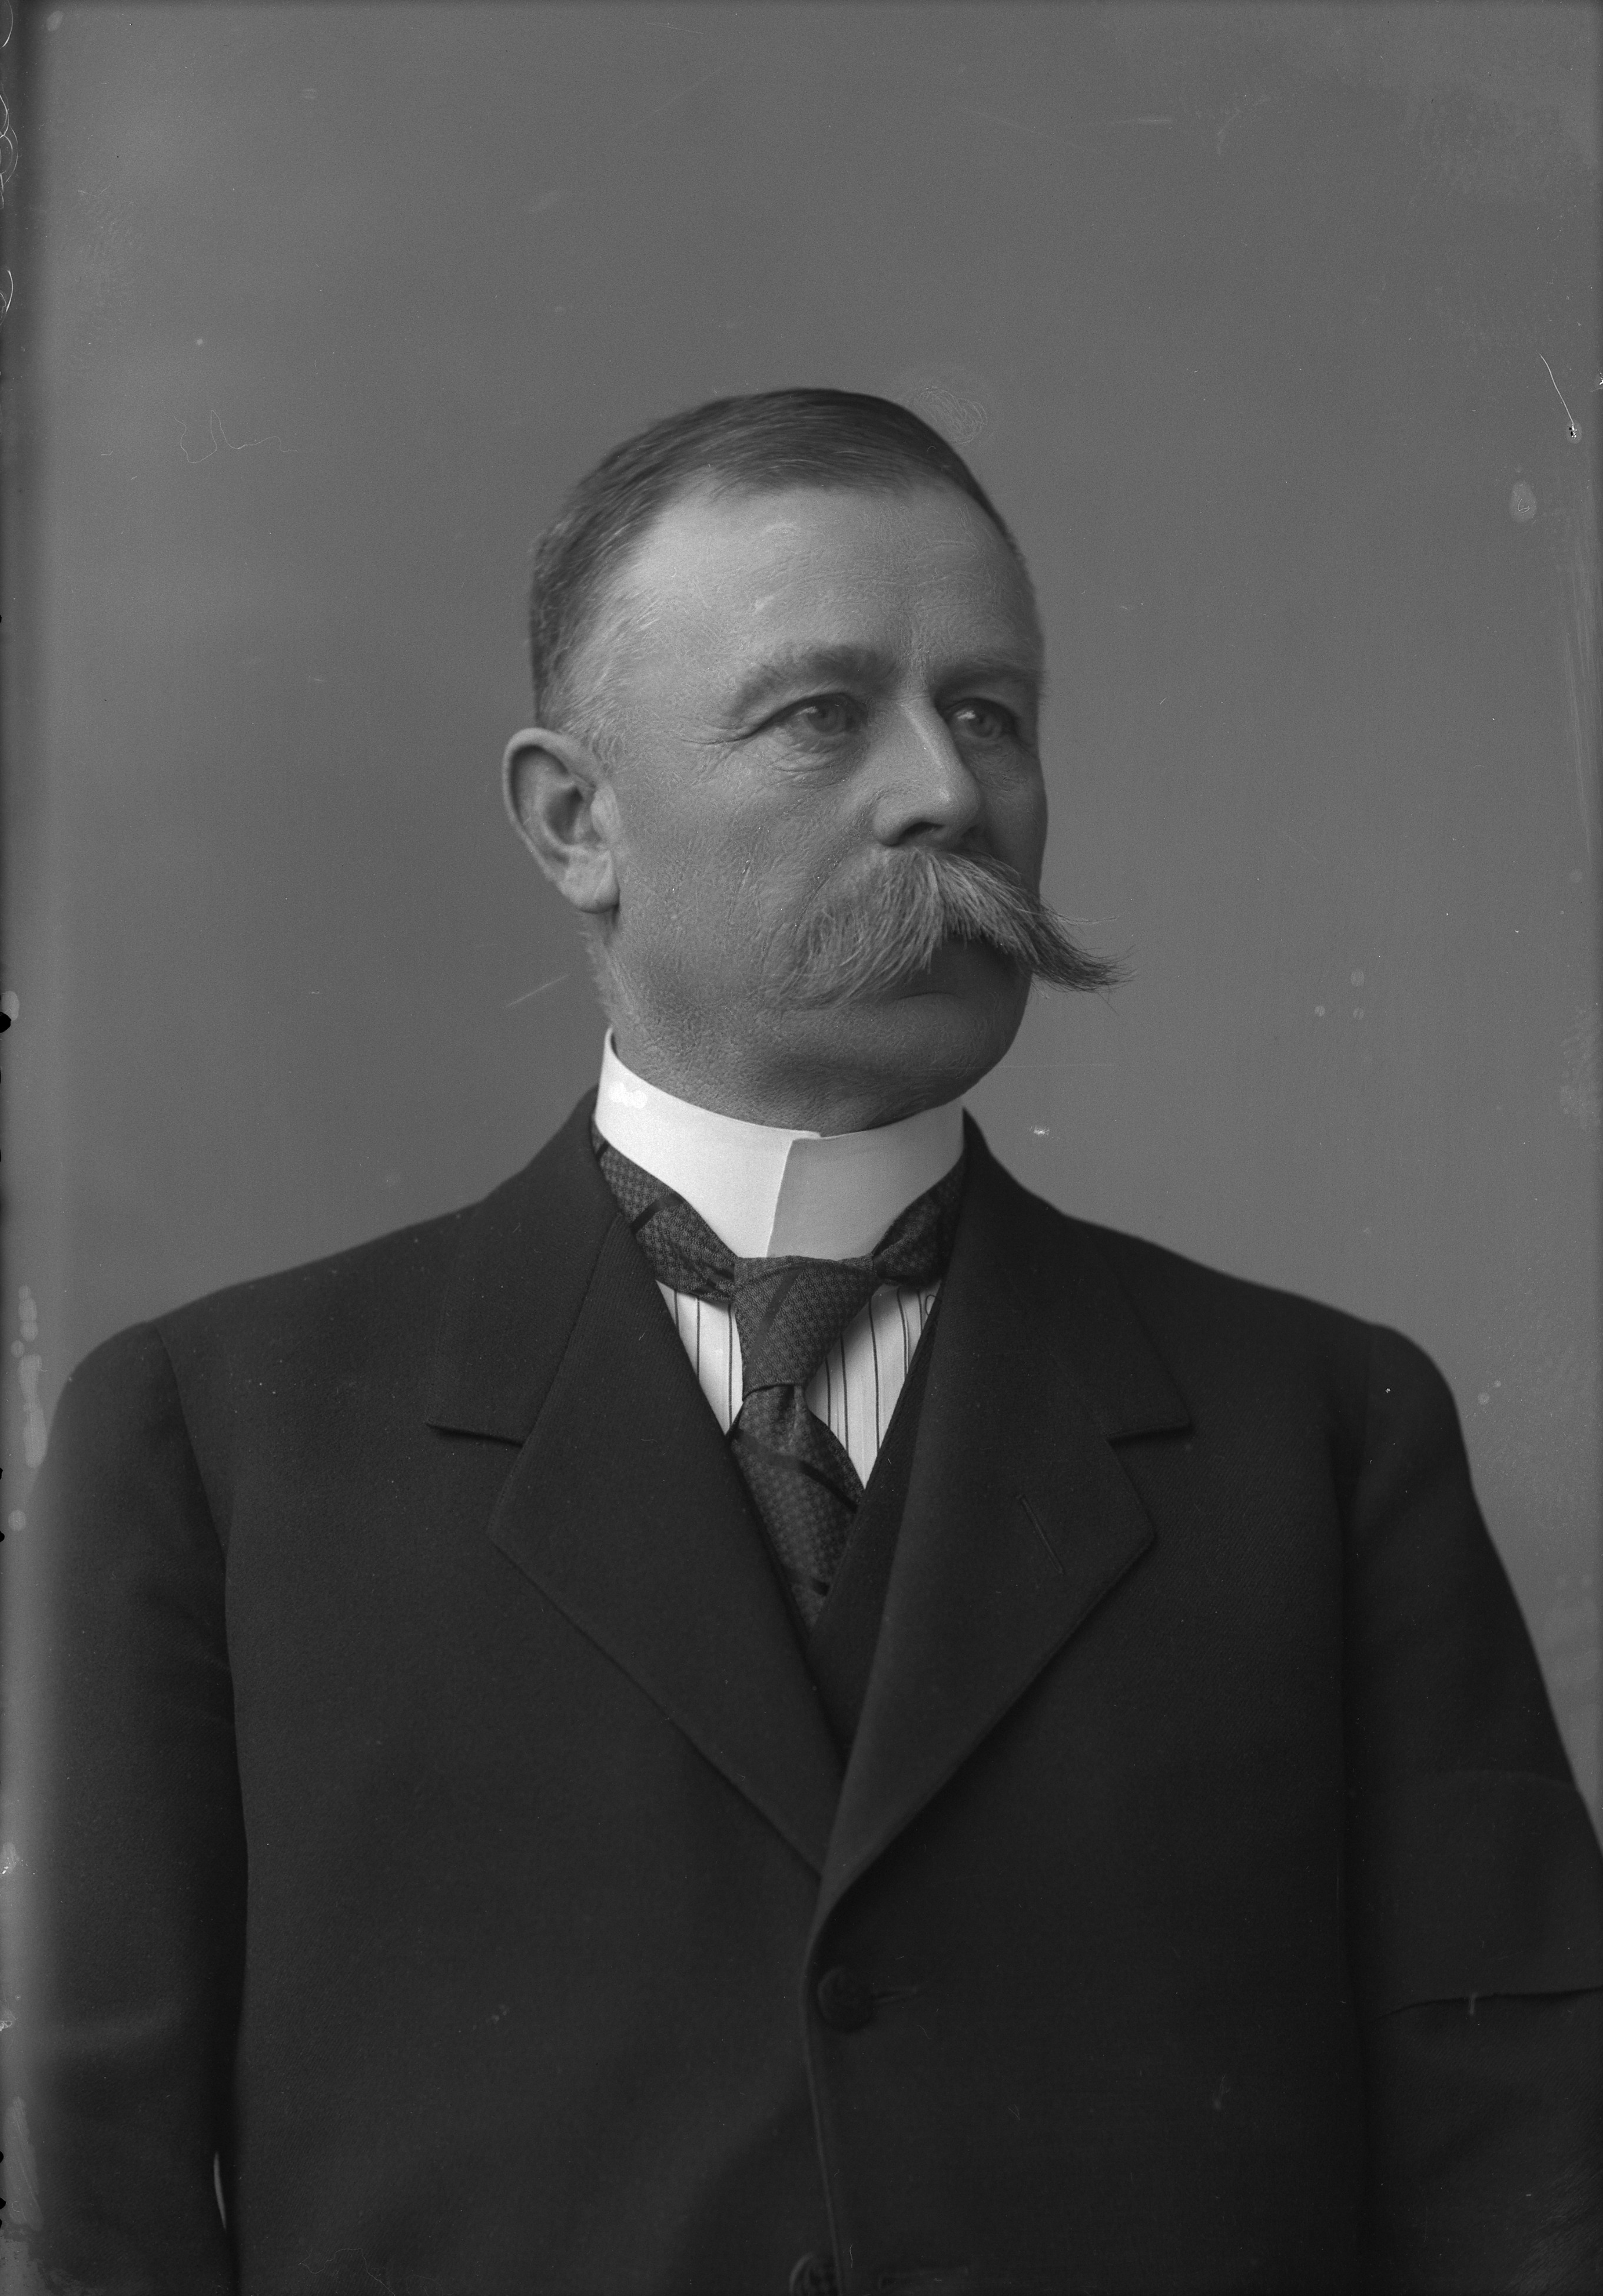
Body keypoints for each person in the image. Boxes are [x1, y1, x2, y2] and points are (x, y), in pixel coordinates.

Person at [13, 390, 1602, 2296]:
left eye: (988, 711)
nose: (945, 791)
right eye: (823, 713)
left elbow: (1521, 2160)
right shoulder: (218, 1443)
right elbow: (98, 2205)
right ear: (576, 820)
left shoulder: (1320, 1436)